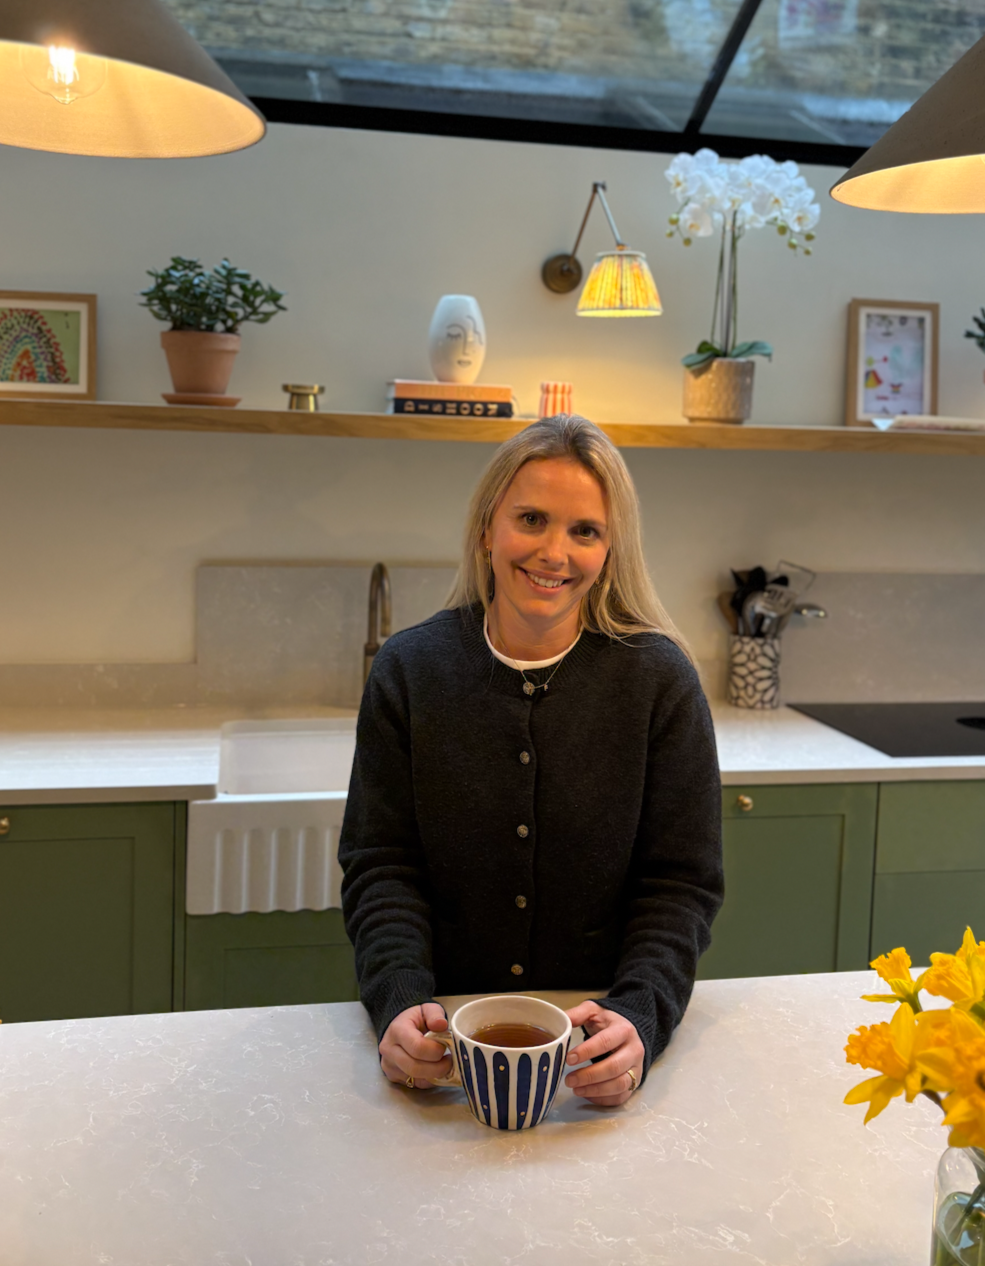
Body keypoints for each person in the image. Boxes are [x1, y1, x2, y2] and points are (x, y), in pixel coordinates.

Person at [339, 414, 723, 1107]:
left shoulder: (658, 682)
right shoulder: (409, 671)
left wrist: (638, 1017)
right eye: (531, 519)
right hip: (443, 1050)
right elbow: (381, 865)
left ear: (610, 550)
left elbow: (679, 885)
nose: (554, 552)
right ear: (487, 528)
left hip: (592, 1052)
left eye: (585, 531)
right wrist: (398, 1001)